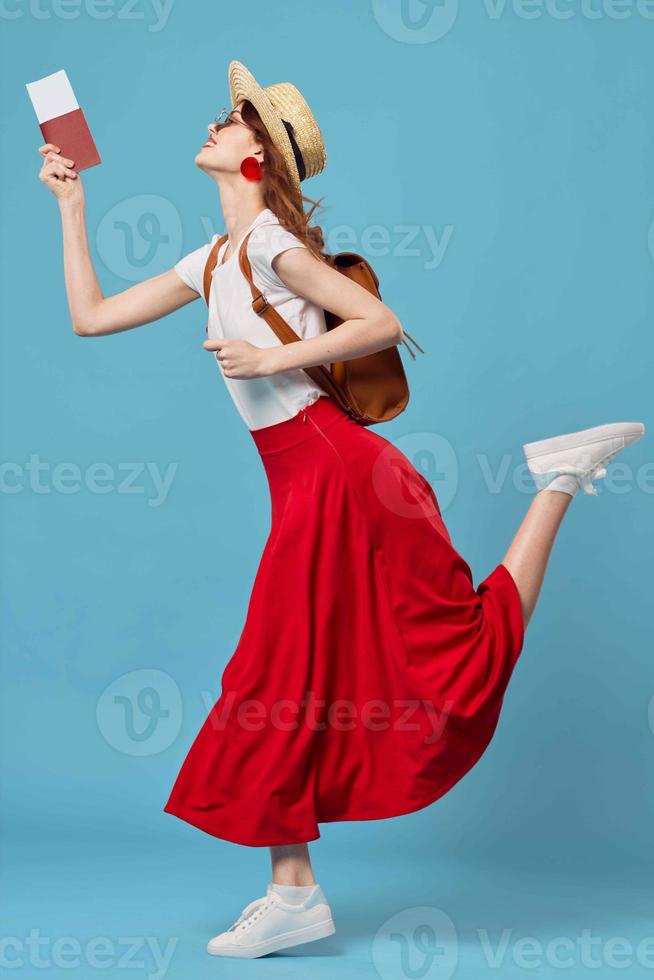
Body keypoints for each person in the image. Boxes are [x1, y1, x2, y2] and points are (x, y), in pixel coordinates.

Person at [38, 59, 644, 961]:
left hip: (343, 475)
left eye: (232, 121)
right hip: (311, 483)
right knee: (295, 676)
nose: (214, 126)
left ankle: (558, 480)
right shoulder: (208, 260)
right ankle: (293, 893)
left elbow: (380, 322)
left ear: (259, 159)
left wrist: (271, 363)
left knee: (319, 667)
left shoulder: (275, 246)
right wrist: (71, 203)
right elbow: (88, 318)